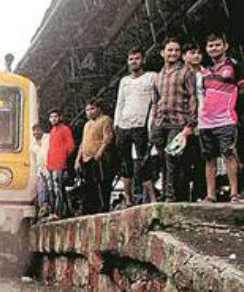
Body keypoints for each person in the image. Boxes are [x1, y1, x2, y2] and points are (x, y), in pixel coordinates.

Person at [199, 33, 244, 203]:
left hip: (226, 120)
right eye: (210, 46)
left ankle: (234, 194)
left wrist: (235, 111)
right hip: (206, 121)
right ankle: (211, 195)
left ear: (225, 46)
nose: (214, 48)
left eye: (217, 45)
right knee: (209, 158)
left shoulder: (235, 65)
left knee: (229, 154)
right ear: (206, 50)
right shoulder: (205, 70)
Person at [150, 38, 198, 202]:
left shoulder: (186, 72)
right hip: (160, 123)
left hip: (178, 121)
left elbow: (193, 97)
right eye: (170, 50)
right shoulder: (158, 76)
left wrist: (191, 123)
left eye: (177, 50)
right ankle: (166, 194)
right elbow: (155, 102)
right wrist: (153, 124)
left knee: (173, 157)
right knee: (162, 160)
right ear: (163, 53)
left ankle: (171, 196)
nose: (173, 53)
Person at [114, 48, 159, 206]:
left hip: (141, 125)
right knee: (125, 164)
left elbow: (155, 103)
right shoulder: (124, 81)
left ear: (143, 60)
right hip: (124, 126)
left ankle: (152, 198)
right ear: (128, 61)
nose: (134, 61)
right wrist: (116, 125)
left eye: (137, 58)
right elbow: (120, 103)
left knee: (143, 162)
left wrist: (151, 125)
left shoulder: (152, 76)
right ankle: (129, 199)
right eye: (131, 59)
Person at [75, 100, 115, 213]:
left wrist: (100, 152)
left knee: (102, 183)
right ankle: (91, 208)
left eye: (92, 109)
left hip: (100, 158)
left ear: (98, 109)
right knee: (89, 185)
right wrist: (78, 159)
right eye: (87, 110)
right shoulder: (87, 124)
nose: (90, 112)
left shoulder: (105, 120)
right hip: (86, 158)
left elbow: (108, 138)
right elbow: (83, 143)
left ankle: (104, 207)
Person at [182, 44, 207, 201]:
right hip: (183, 122)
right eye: (192, 53)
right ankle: (182, 196)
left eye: (199, 53)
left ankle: (201, 194)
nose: (196, 56)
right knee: (183, 161)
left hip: (204, 120)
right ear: (184, 56)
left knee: (202, 159)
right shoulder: (180, 74)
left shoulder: (207, 73)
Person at [45, 110, 76, 217]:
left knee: (58, 188)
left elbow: (71, 147)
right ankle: (56, 212)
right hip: (50, 164)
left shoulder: (65, 129)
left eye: (55, 116)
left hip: (60, 163)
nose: (53, 119)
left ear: (60, 117)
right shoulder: (52, 131)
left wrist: (64, 158)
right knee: (51, 189)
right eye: (51, 117)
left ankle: (58, 213)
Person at [30, 124, 50, 212]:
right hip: (40, 169)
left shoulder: (48, 138)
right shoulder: (32, 145)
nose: (36, 133)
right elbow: (34, 160)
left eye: (38, 130)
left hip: (51, 167)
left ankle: (51, 208)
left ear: (42, 131)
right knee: (41, 189)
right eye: (34, 131)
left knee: (51, 188)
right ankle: (43, 209)